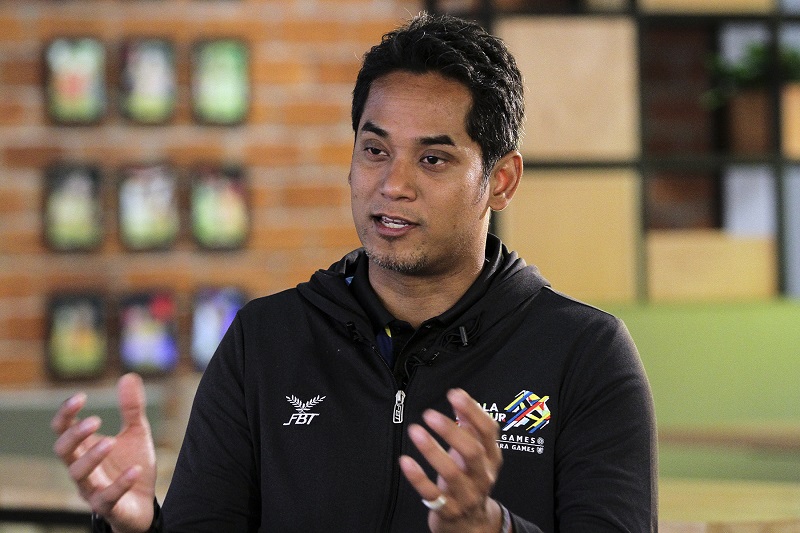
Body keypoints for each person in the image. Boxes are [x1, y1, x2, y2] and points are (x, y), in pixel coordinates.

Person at [51, 12, 658, 532]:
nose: (393, 185)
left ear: (501, 181)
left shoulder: (584, 354)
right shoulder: (263, 341)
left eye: (433, 158)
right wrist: (139, 525)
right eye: (375, 150)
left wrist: (488, 526)